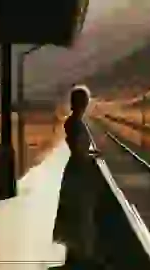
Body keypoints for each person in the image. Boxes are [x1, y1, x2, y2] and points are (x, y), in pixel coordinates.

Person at [51, 85, 103, 269]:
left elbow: (79, 148)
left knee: (76, 212)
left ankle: (75, 255)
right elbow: (79, 151)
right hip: (79, 171)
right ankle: (82, 257)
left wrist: (91, 153)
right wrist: (91, 156)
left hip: (75, 169)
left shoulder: (73, 122)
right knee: (81, 212)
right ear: (83, 102)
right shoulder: (76, 123)